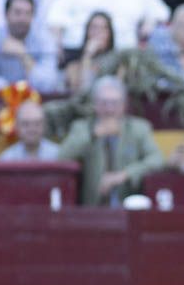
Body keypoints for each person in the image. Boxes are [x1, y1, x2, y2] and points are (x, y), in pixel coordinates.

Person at [58, 75, 163, 205]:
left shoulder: (139, 128)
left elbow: (157, 159)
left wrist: (124, 175)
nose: (109, 109)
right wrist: (93, 135)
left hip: (129, 208)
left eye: (115, 103)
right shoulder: (82, 128)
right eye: (104, 103)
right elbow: (61, 158)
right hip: (92, 210)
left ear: (124, 105)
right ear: (95, 104)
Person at [0, 0, 60, 93]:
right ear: (6, 14)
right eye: (17, 13)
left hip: (36, 102)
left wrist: (24, 55)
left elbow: (47, 85)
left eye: (28, 13)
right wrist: (17, 90)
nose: (22, 19)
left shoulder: (44, 39)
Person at [63, 10, 114, 92]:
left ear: (110, 34)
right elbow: (82, 92)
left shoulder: (119, 64)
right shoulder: (73, 67)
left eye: (103, 28)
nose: (98, 33)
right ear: (87, 32)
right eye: (94, 28)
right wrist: (87, 55)